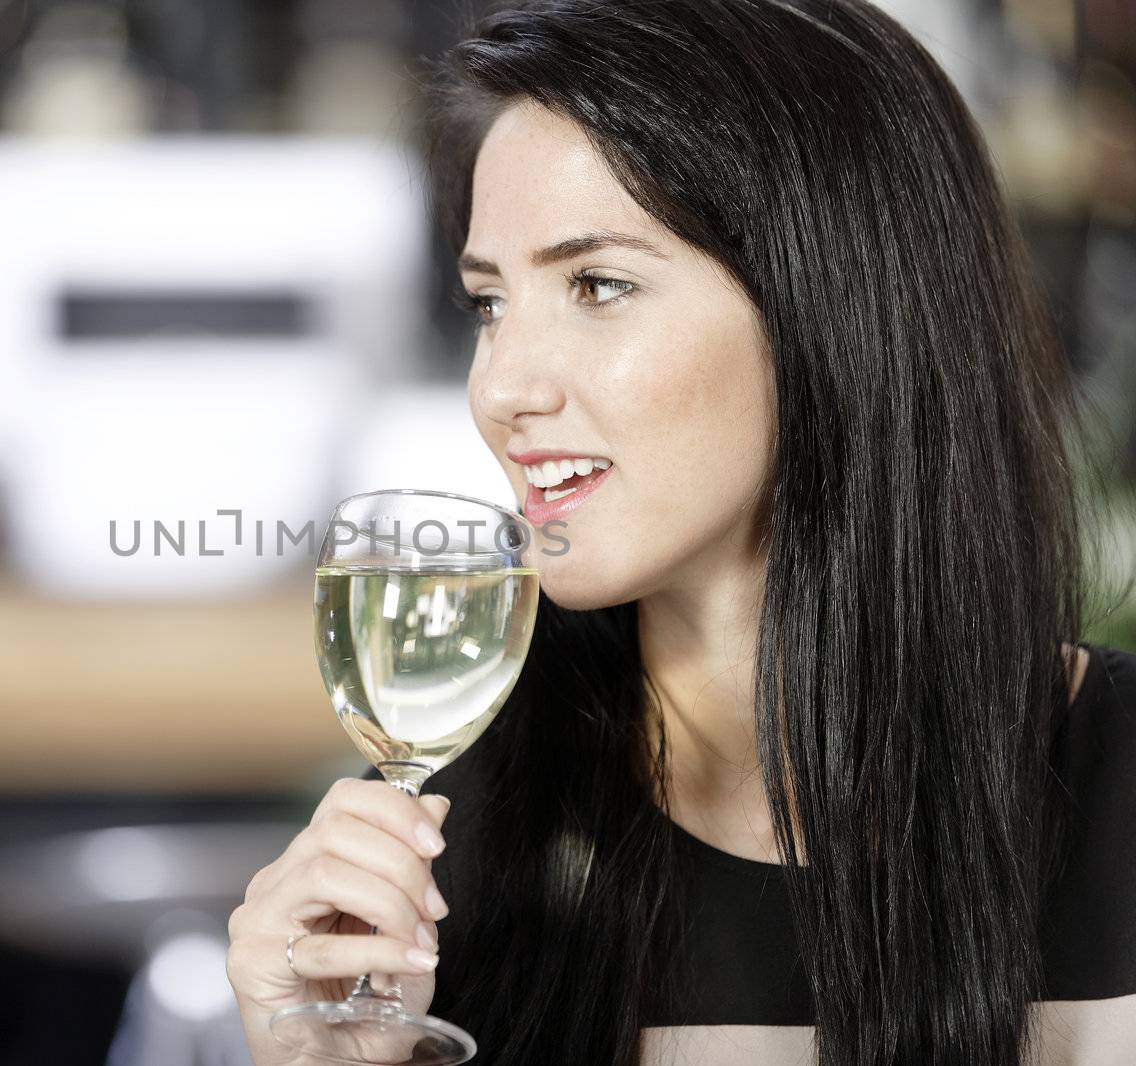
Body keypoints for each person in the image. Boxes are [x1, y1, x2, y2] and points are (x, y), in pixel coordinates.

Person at [225, 0, 1136, 1062]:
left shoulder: (1116, 783)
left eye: (596, 285)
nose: (503, 385)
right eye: (489, 304)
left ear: (833, 308)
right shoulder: (446, 870)